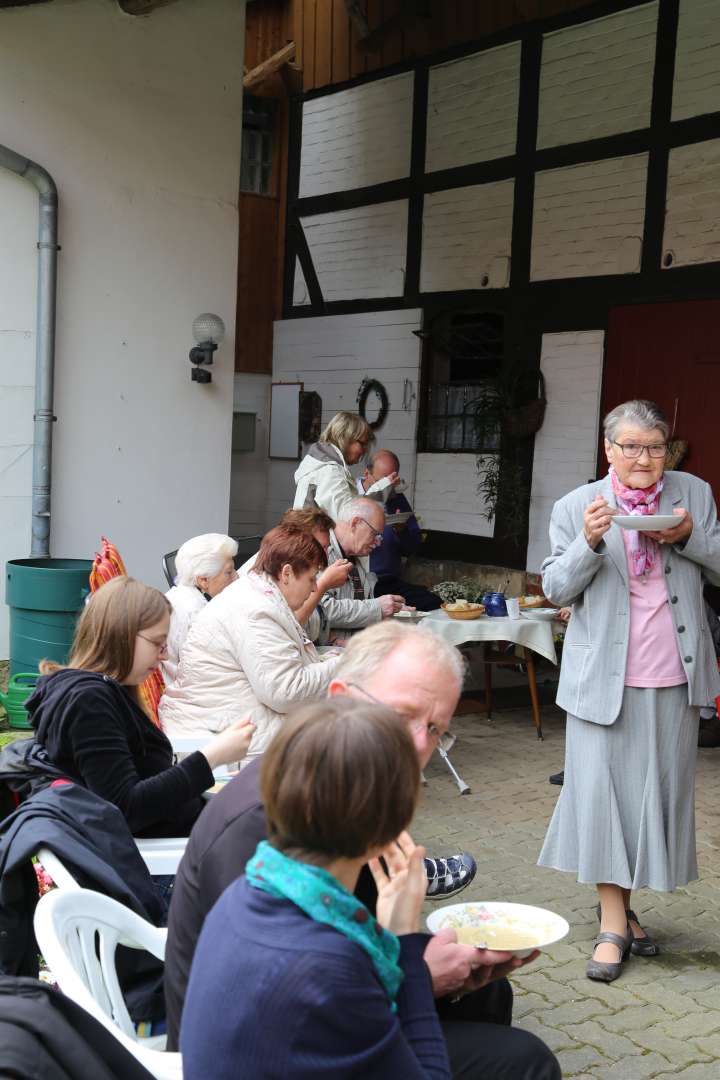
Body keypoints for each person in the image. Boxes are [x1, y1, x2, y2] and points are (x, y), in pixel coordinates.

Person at [165, 624, 560, 1080]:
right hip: (277, 1042)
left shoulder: (316, 797)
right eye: (399, 715)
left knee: (486, 993)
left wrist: (421, 959)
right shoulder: (255, 825)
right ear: (340, 697)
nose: (415, 743)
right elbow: (290, 982)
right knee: (525, 1062)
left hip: (316, 1000)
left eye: (434, 729)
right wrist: (416, 964)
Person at [538, 399, 720, 982]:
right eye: (632, 447)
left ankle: (624, 905)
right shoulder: (576, 506)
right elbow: (556, 589)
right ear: (609, 451)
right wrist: (588, 544)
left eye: (656, 447)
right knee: (602, 798)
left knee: (654, 800)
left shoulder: (693, 493)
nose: (645, 458)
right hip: (600, 680)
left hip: (675, 672)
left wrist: (690, 538)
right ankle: (613, 923)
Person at [181, 698, 452, 1078]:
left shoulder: (246, 889)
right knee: (521, 1059)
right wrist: (405, 940)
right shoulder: (328, 965)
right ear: (387, 832)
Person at [24, 577, 254, 838]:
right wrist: (212, 757)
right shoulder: (89, 703)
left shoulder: (102, 690)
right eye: (157, 643)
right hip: (168, 857)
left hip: (189, 829)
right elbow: (127, 809)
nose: (164, 655)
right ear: (121, 634)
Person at [159, 525, 341, 756]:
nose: (316, 587)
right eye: (312, 578)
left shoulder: (260, 597)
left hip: (221, 726)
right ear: (286, 573)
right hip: (218, 741)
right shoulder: (256, 609)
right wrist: (347, 663)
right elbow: (285, 692)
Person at [358, 449, 441, 611]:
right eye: (384, 480)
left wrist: (401, 530)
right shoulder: (350, 495)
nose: (389, 486)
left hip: (389, 580)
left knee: (433, 603)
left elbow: (413, 547)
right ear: (367, 473)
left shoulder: (396, 498)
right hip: (360, 580)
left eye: (393, 480)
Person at [163, 533, 238, 688]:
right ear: (203, 580)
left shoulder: (176, 594)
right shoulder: (197, 614)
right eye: (229, 572)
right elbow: (204, 675)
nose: (236, 577)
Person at [294, 410, 391, 520]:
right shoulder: (330, 471)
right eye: (362, 444)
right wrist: (382, 490)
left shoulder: (323, 465)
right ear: (345, 438)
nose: (364, 450)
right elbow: (347, 518)